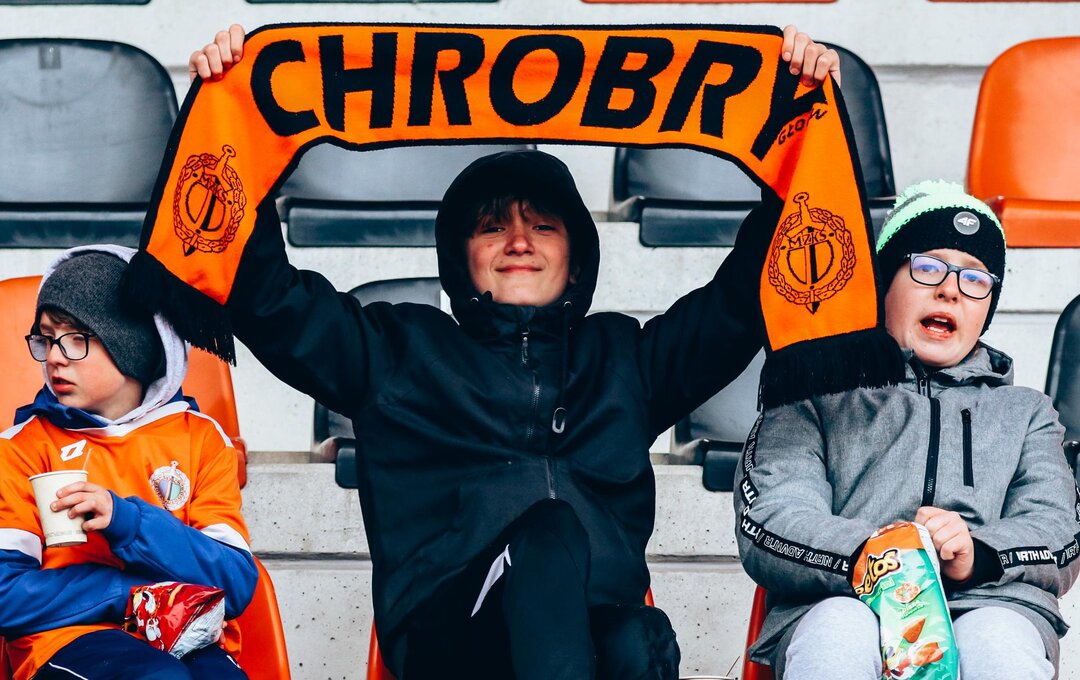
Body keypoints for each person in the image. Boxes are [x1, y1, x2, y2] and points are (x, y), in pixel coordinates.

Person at [187, 24, 840, 680]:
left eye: (543, 226)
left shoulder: (626, 362)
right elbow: (268, 298)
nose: (520, 241)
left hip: (588, 636)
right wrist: (233, 129)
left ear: (576, 261)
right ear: (461, 260)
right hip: (452, 644)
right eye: (493, 226)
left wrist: (801, 129)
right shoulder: (397, 354)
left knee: (638, 638)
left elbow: (742, 299)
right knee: (549, 532)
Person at [735, 180, 1080, 679]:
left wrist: (977, 553)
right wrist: (879, 555)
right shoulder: (814, 392)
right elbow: (772, 517)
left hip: (990, 601)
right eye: (928, 267)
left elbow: (1058, 533)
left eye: (975, 279)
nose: (950, 290)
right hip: (842, 598)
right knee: (838, 631)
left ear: (987, 308)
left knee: (997, 640)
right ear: (883, 283)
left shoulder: (1028, 413)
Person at [0, 246, 258, 680]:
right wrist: (130, 593)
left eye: (77, 338)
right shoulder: (20, 448)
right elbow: (5, 595)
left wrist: (128, 523)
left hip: (187, 636)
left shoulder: (200, 438)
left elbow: (233, 583)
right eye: (47, 338)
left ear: (131, 343)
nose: (56, 357)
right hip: (66, 640)